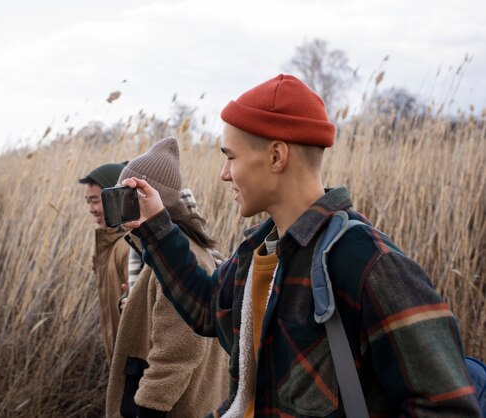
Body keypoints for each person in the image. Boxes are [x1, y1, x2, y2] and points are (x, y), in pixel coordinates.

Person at [121, 75, 481, 417]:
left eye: (231, 156)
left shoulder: (368, 262)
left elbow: (446, 405)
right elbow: (204, 307)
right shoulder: (259, 250)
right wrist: (156, 226)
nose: (224, 173)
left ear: (277, 156)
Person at [106, 137, 230, 418]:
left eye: (128, 195)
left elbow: (178, 352)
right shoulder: (176, 251)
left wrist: (147, 409)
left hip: (175, 409)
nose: (121, 204)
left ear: (148, 197)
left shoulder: (179, 260)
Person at [78, 161, 129, 363]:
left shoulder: (127, 248)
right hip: (119, 359)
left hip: (134, 363)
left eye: (95, 201)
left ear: (114, 197)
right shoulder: (108, 244)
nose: (91, 209)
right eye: (87, 202)